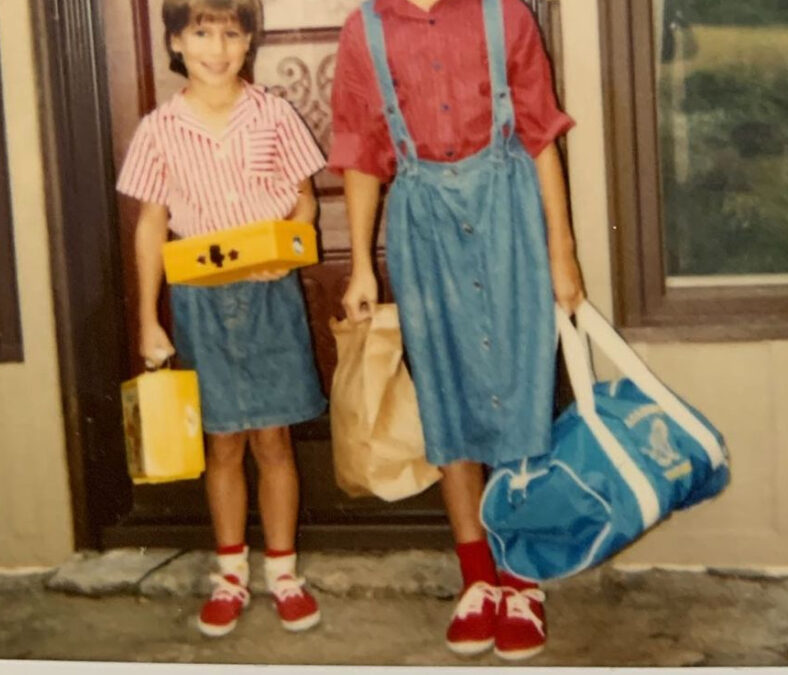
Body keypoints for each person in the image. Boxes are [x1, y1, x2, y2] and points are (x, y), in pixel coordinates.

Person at [329, 0, 584, 661]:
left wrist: (563, 252)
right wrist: (360, 265)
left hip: (510, 212)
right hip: (422, 219)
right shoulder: (366, 30)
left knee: (521, 388)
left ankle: (522, 578)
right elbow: (360, 152)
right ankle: (477, 577)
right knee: (446, 393)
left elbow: (540, 137)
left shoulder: (508, 17)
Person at [116, 0, 328, 638]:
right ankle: (231, 573)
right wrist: (149, 319)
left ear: (248, 42)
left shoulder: (273, 114)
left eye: (230, 34)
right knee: (224, 443)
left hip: (269, 295)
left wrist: (285, 247)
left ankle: (283, 573)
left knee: (273, 440)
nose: (216, 48)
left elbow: (306, 202)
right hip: (200, 299)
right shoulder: (159, 127)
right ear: (176, 43)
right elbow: (151, 224)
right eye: (201, 33)